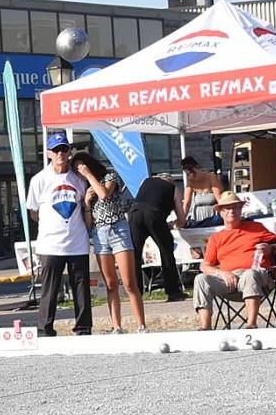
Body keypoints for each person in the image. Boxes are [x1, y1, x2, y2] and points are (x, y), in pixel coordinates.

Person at [25, 131, 92, 336]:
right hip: (50, 244)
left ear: (69, 152)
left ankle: (83, 328)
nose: (60, 154)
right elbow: (33, 211)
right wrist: (49, 224)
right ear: (48, 153)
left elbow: (84, 205)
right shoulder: (39, 180)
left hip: (77, 242)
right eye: (56, 150)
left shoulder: (78, 179)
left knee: (81, 288)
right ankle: (45, 328)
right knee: (50, 289)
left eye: (63, 149)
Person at [77, 154, 146, 334]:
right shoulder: (85, 188)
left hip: (118, 229)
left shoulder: (109, 176)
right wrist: (86, 203)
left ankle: (141, 325)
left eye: (81, 167)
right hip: (99, 233)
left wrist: (89, 175)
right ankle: (116, 325)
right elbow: (89, 224)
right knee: (110, 283)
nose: (80, 172)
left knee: (129, 282)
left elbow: (104, 195)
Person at [192, 192, 276, 329]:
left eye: (235, 207)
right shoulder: (216, 238)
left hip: (257, 276)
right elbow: (205, 266)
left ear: (241, 209)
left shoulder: (256, 228)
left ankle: (251, 325)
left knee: (250, 274)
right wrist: (222, 273)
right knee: (200, 279)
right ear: (220, 212)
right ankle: (205, 327)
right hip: (228, 280)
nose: (232, 211)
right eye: (227, 208)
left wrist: (271, 248)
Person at [129, 170, 186, 302]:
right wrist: (174, 225)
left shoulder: (145, 182)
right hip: (154, 214)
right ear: (171, 181)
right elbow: (182, 220)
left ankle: (136, 293)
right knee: (166, 250)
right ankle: (173, 291)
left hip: (135, 214)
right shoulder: (173, 189)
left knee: (135, 254)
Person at [178, 156, 229, 227]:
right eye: (187, 175)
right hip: (198, 219)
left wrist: (226, 217)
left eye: (193, 173)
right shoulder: (191, 182)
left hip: (213, 218)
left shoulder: (211, 177)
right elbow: (186, 203)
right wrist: (181, 221)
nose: (191, 177)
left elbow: (220, 200)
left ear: (198, 168)